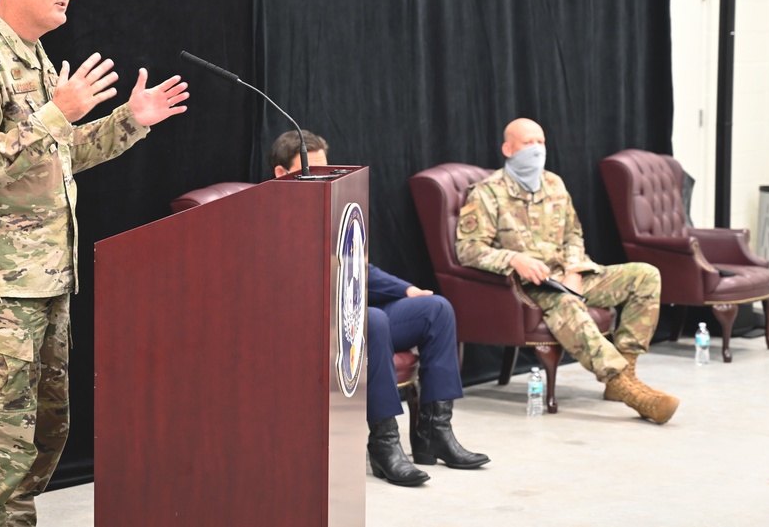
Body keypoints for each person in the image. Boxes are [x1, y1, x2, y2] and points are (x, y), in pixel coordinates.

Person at [0, 0, 189, 526]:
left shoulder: (35, 59)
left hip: (45, 279)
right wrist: (55, 112)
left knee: (43, 434)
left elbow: (57, 153)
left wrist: (129, 121)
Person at [269, 130, 489, 486]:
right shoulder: (263, 216)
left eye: (328, 172)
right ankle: (385, 445)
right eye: (312, 171)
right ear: (282, 173)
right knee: (372, 319)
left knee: (436, 308)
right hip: (307, 323)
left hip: (349, 315)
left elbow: (359, 267)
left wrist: (407, 290)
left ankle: (435, 432)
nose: (323, 180)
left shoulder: (332, 207)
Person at [455, 118, 679, 425]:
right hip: (533, 286)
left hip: (571, 274)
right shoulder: (487, 193)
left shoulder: (554, 184)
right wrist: (514, 259)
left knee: (645, 275)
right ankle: (624, 386)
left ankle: (626, 369)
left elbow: (573, 234)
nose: (536, 149)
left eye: (541, 142)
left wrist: (574, 270)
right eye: (527, 143)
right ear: (508, 149)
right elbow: (468, 248)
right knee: (565, 302)